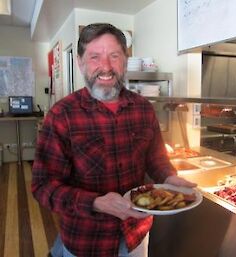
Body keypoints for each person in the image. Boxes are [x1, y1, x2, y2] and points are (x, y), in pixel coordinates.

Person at [31, 23, 196, 257]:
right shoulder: (62, 115)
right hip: (86, 241)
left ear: (125, 61)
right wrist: (96, 203)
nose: (106, 67)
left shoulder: (143, 108)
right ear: (80, 63)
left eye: (114, 56)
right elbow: (43, 187)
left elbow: (156, 158)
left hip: (136, 234)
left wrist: (169, 177)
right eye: (95, 57)